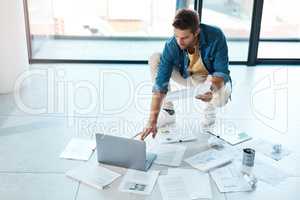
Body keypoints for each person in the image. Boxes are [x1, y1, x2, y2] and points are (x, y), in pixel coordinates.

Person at [140, 8, 232, 140]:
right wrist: (152, 121)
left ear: (196, 32)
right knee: (155, 58)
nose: (179, 42)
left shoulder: (216, 36)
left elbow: (222, 72)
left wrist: (211, 90)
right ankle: (168, 111)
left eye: (185, 37)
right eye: (176, 36)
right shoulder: (172, 44)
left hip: (209, 80)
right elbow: (160, 85)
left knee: (221, 98)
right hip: (188, 76)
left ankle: (210, 108)